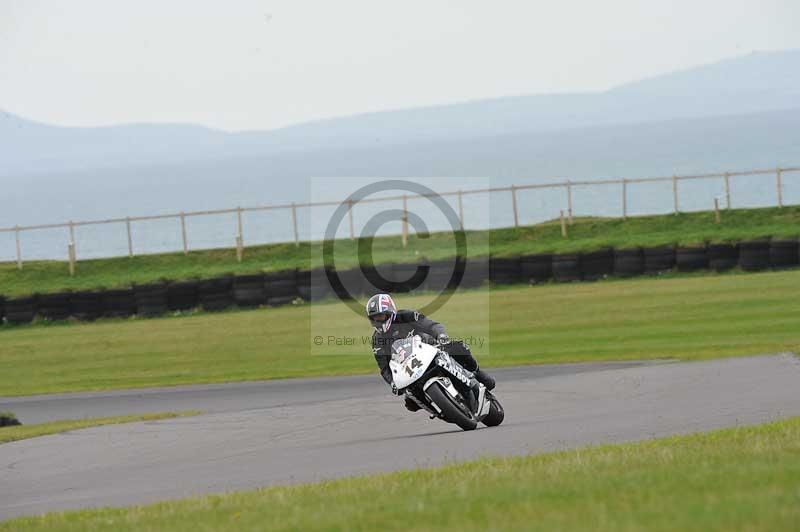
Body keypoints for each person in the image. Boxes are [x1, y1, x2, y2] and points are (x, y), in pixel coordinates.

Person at [366, 293, 495, 412]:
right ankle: (440, 410)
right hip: (410, 369)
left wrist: (441, 336)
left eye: (381, 316)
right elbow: (384, 368)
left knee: (457, 347)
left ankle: (477, 372)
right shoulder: (377, 340)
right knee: (410, 402)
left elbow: (431, 325)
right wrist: (392, 383)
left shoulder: (407, 316)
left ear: (390, 312)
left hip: (431, 349)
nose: (378, 321)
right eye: (374, 318)